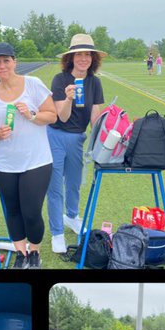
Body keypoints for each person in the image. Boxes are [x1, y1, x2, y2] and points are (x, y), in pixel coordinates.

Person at [0, 42, 57, 268]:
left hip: (36, 160)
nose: (2, 65)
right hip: (3, 162)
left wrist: (32, 115)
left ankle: (35, 252)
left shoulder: (33, 84)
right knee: (12, 210)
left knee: (31, 212)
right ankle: (21, 253)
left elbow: (52, 115)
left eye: (6, 60)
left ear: (15, 62)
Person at [47, 34, 107, 255]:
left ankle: (72, 217)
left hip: (78, 138)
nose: (83, 58)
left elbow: (95, 115)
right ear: (71, 58)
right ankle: (57, 233)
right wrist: (69, 98)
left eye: (87, 54)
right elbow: (61, 117)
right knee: (55, 187)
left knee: (74, 182)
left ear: (93, 58)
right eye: (78, 54)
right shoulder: (60, 80)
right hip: (56, 136)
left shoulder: (94, 82)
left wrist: (101, 138)